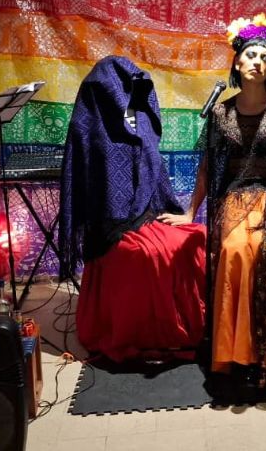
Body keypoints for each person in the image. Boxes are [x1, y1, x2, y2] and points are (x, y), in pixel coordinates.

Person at [158, 13, 266, 401]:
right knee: (237, 250)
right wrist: (190, 212)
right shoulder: (221, 113)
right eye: (251, 55)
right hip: (236, 197)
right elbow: (207, 167)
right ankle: (238, 353)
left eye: (265, 58)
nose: (258, 62)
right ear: (237, 63)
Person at [59, 56, 206, 363]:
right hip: (110, 225)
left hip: (147, 214)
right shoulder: (90, 127)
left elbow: (153, 176)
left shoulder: (142, 123)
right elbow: (93, 188)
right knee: (149, 254)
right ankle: (148, 330)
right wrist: (122, 222)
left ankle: (187, 325)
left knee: (198, 236)